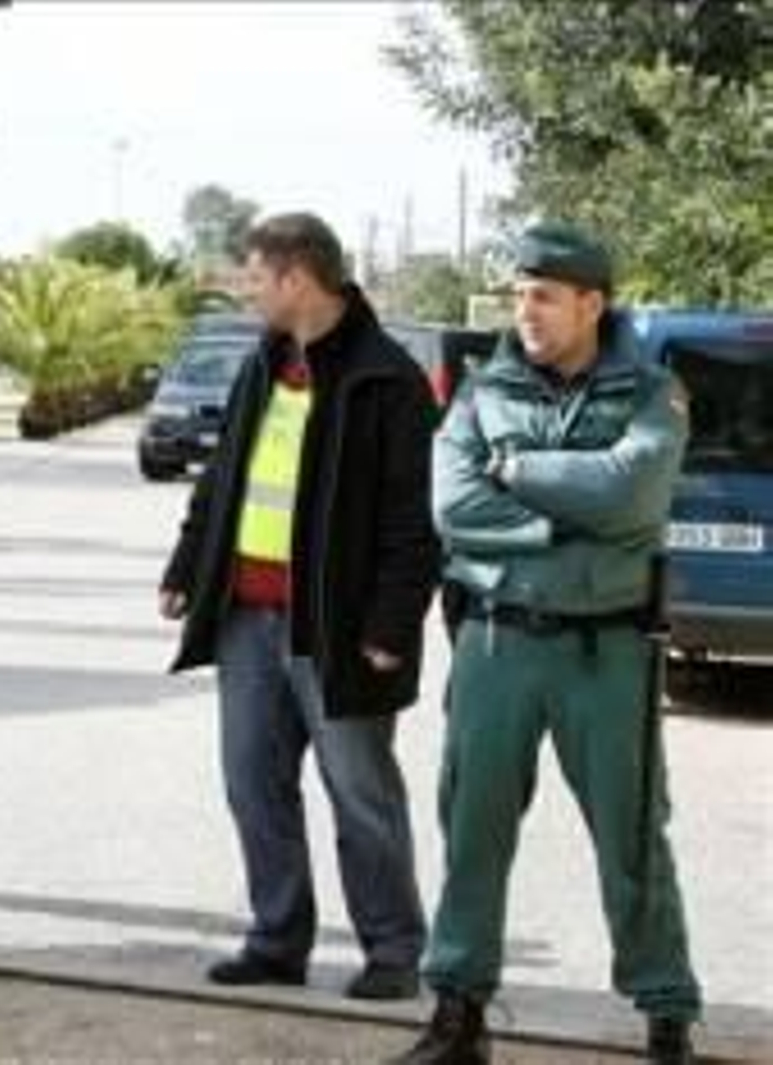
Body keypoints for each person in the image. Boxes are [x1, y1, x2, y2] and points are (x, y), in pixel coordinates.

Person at [396, 223, 702, 1065]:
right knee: (473, 828)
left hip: (608, 654)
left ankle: (665, 1016)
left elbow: (630, 492)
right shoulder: (479, 392)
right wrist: (567, 520)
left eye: (544, 296)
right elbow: (454, 509)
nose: (524, 310)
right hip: (497, 645)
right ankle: (458, 1015)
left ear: (591, 303)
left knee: (633, 836)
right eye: (519, 294)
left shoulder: (650, 392)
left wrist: (518, 471)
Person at [160, 213, 438, 1001]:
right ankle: (278, 938)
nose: (247, 292)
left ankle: (392, 948)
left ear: (296, 278)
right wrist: (188, 563)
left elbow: (414, 521)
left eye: (254, 277)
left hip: (340, 631)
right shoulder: (261, 367)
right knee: (253, 782)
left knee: (361, 792)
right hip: (247, 619)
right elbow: (224, 478)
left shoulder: (387, 380)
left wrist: (389, 626)